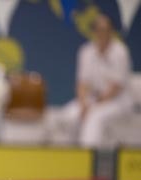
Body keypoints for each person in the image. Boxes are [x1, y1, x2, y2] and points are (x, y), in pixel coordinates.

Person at [54, 14, 133, 148]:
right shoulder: (86, 51)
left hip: (117, 100)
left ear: (111, 31)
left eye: (105, 30)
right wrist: (83, 104)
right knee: (68, 116)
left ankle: (88, 155)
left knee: (94, 118)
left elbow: (116, 87)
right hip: (93, 98)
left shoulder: (120, 52)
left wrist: (92, 106)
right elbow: (82, 83)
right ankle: (66, 154)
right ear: (94, 32)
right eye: (99, 30)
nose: (102, 34)